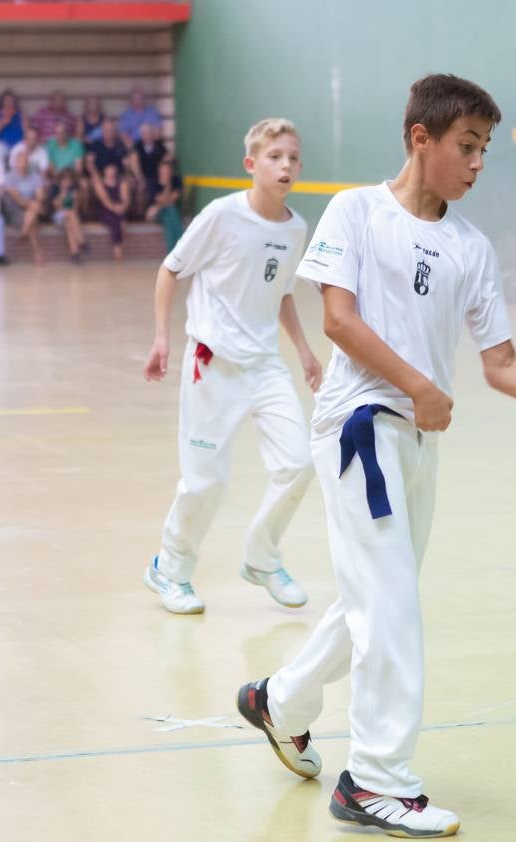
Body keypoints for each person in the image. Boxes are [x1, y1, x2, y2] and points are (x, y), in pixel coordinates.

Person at [234, 75, 516, 839]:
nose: (478, 162)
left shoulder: (469, 248)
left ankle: (279, 702)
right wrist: (420, 385)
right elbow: (339, 321)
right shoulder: (356, 211)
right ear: (420, 138)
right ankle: (376, 781)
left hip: (418, 441)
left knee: (371, 600)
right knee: (390, 609)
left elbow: (502, 361)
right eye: (467, 146)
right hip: (361, 427)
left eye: (485, 149)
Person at [141, 117, 323, 616]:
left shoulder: (295, 229)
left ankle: (262, 558)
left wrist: (304, 351)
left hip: (265, 366)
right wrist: (162, 338)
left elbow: (282, 293)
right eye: (275, 157)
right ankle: (169, 570)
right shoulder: (221, 216)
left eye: (293, 157)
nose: (286, 165)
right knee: (205, 483)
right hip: (211, 365)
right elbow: (171, 269)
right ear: (251, 165)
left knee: (298, 463)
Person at [0, 152, 46, 263]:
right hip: (15, 210)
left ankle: (24, 233)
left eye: (25, 161)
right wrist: (34, 205)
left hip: (32, 208)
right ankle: (37, 253)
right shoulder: (9, 177)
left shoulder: (35, 177)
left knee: (32, 213)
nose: (23, 165)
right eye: (20, 162)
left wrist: (35, 204)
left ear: (28, 163)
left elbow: (40, 196)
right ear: (16, 163)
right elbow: (18, 200)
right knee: (33, 219)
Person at [91, 162, 130, 260]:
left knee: (121, 221)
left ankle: (119, 253)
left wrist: (123, 207)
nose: (111, 172)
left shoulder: (122, 183)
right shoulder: (99, 184)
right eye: (109, 169)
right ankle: (119, 257)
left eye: (113, 169)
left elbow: (126, 200)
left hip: (119, 211)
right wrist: (116, 208)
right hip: (105, 211)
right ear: (104, 171)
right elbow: (105, 201)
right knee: (117, 222)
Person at [145, 157, 183, 252]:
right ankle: (182, 244)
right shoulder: (153, 182)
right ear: (159, 170)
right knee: (170, 210)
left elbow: (172, 200)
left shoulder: (176, 180)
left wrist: (168, 184)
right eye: (162, 171)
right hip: (156, 213)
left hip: (165, 211)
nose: (164, 173)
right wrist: (167, 187)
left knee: (169, 215)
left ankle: (171, 251)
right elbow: (160, 201)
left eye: (167, 171)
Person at [47, 168, 85, 263]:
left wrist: (75, 199)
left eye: (69, 180)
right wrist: (62, 195)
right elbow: (56, 207)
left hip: (71, 217)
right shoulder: (55, 189)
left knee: (69, 224)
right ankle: (81, 242)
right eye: (64, 180)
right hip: (57, 216)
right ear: (60, 180)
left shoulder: (74, 190)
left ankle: (75, 254)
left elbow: (75, 209)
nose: (66, 182)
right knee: (68, 214)